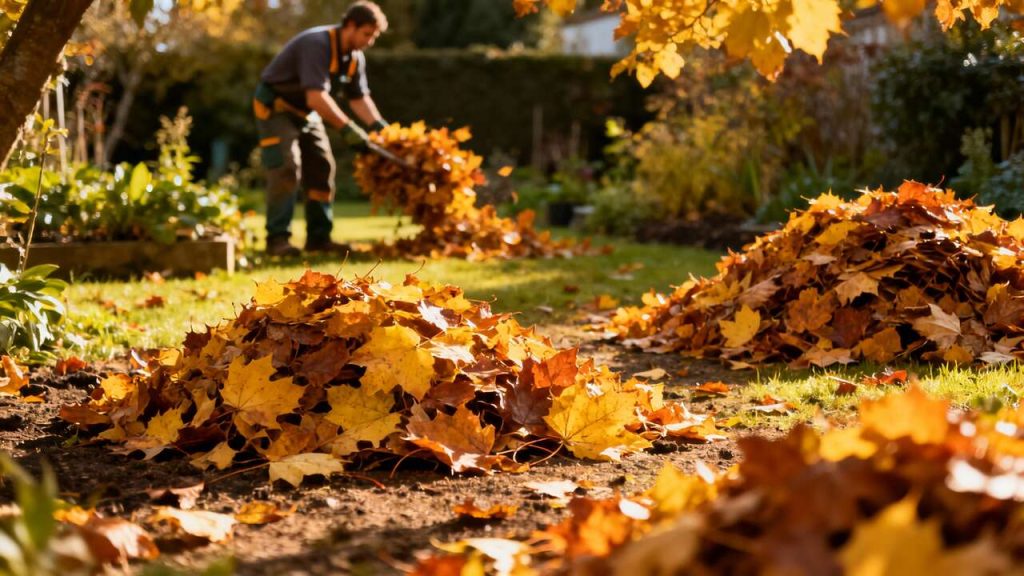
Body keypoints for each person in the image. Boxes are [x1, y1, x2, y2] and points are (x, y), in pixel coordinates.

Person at [253, 1, 389, 257]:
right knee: (286, 166)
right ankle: (277, 240)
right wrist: (348, 129)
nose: (370, 41)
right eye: (366, 34)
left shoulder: (354, 58)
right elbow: (316, 96)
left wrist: (380, 129)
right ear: (350, 26)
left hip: (306, 113)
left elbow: (359, 98)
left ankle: (319, 238)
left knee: (322, 166)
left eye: (373, 36)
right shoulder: (317, 44)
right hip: (276, 108)